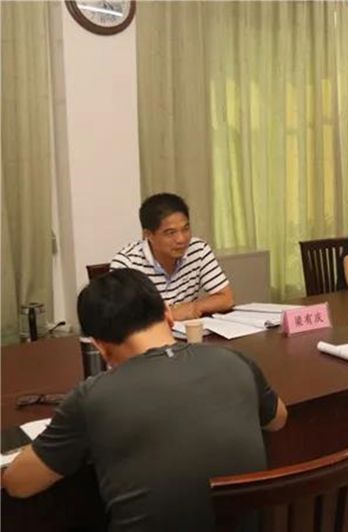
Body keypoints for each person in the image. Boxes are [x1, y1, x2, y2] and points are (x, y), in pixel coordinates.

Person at [2, 269, 287, 531]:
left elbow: (17, 484)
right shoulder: (234, 360)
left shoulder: (93, 397)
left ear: (99, 346)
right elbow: (278, 419)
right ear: (168, 314)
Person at [110, 193, 233, 321]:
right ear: (148, 235)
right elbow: (123, 319)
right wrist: (171, 315)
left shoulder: (198, 249)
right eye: (170, 233)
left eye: (185, 229)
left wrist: (193, 307)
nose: (181, 239)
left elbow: (226, 298)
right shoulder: (126, 264)